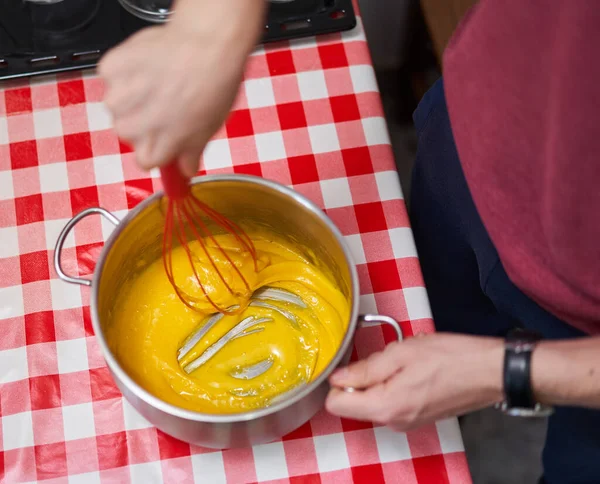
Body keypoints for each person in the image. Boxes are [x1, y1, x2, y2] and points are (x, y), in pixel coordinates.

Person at [100, 1, 600, 482]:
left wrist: (511, 372)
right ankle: (453, 417)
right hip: (476, 147)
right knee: (436, 325)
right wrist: (214, 24)